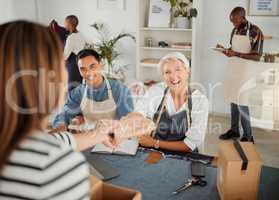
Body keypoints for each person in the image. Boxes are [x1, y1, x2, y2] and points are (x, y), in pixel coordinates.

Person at [0, 20, 117, 199]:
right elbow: (63, 116)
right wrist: (63, 122)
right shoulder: (56, 166)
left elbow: (53, 140)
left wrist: (100, 133)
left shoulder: (118, 88)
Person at [134, 52, 208, 152]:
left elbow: (190, 145)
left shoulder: (200, 100)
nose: (173, 76)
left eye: (178, 70)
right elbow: (140, 111)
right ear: (163, 76)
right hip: (154, 152)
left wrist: (155, 143)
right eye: (167, 72)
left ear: (187, 71)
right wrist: (142, 126)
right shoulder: (156, 91)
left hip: (184, 156)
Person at [52, 49, 134, 131]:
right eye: (83, 69)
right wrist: (60, 126)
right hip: (89, 139)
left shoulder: (120, 90)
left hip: (116, 139)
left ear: (101, 65)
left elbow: (127, 122)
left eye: (92, 66)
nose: (88, 73)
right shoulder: (78, 93)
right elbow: (64, 115)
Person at [217, 7, 264, 143]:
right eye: (232, 22)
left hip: (247, 71)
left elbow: (257, 56)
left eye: (235, 21)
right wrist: (225, 50)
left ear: (243, 17)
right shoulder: (235, 30)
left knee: (242, 102)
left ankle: (248, 136)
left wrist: (235, 54)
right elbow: (234, 49)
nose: (234, 24)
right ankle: (234, 131)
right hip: (234, 69)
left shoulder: (255, 31)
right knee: (233, 100)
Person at [64, 15, 86, 91]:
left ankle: (72, 102)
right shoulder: (81, 34)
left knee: (72, 86)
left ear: (69, 24)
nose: (64, 24)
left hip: (73, 65)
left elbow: (65, 55)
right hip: (80, 63)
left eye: (65, 22)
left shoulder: (71, 37)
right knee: (79, 86)